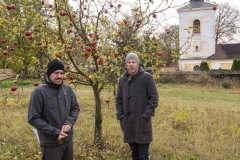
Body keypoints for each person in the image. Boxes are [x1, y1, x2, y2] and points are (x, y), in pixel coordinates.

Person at [28, 59, 80, 160]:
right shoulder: (39, 92)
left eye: (62, 73)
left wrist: (69, 123)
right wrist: (55, 132)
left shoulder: (67, 89)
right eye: (56, 73)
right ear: (49, 74)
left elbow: (75, 108)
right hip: (51, 144)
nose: (60, 76)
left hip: (68, 141)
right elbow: (33, 118)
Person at [116, 53, 159, 160]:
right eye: (129, 62)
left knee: (143, 155)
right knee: (134, 153)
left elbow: (154, 98)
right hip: (128, 123)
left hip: (142, 123)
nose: (131, 65)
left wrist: (146, 116)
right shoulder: (122, 80)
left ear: (137, 63)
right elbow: (119, 100)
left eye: (133, 62)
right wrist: (121, 116)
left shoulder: (147, 78)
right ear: (126, 64)